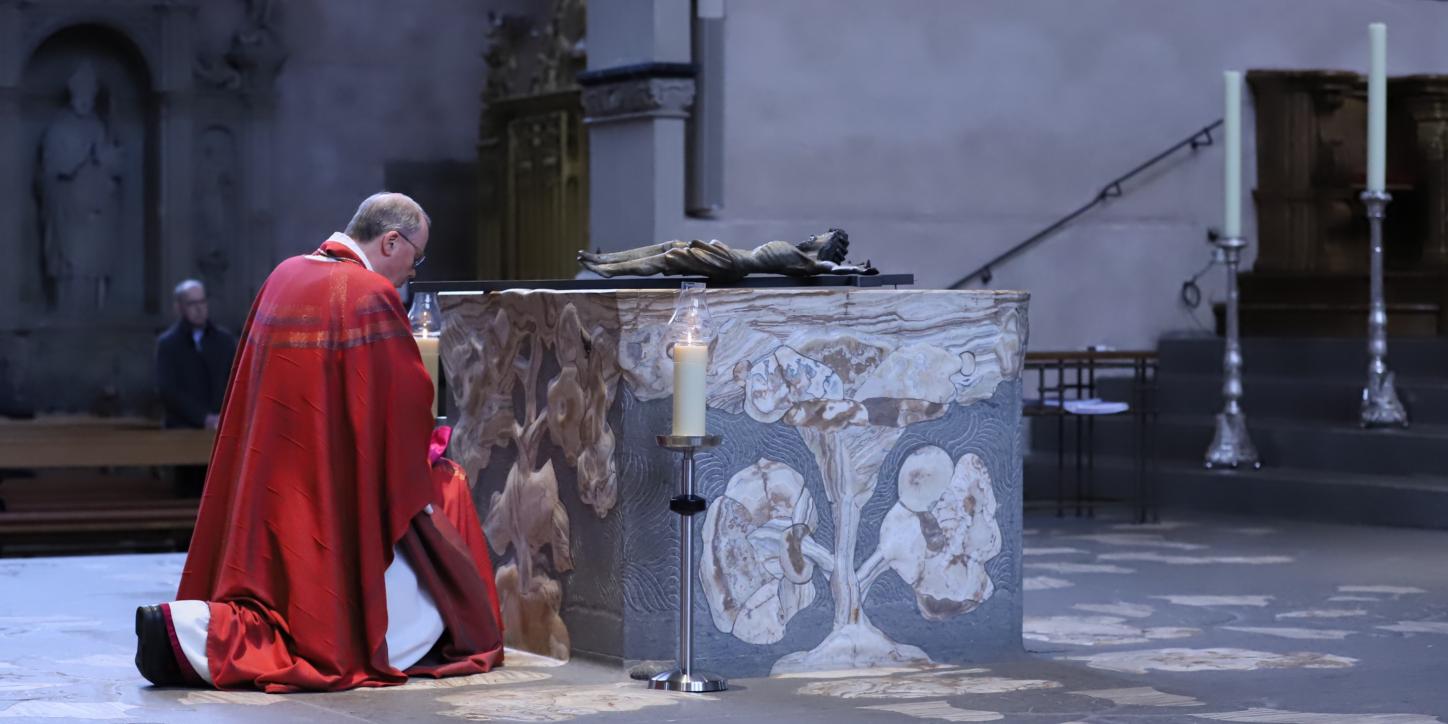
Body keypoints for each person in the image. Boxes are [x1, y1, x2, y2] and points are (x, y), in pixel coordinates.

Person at [134, 192, 504, 692]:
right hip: (329, 484)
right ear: (391, 241)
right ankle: (196, 637)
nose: (414, 272)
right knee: (443, 497)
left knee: (273, 600)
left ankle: (188, 631)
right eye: (416, 259)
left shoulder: (283, 275)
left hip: (267, 482)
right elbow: (407, 402)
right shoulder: (369, 296)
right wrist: (430, 443)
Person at [155, 279, 237, 496]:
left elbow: (236, 380)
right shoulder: (168, 344)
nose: (200, 308)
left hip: (221, 430)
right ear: (179, 307)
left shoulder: (225, 341)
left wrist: (222, 416)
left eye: (202, 302)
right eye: (192, 304)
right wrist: (203, 418)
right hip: (184, 432)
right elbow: (168, 390)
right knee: (187, 492)